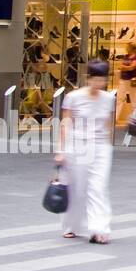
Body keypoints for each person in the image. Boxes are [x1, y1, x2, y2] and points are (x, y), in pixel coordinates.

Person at [55, 60, 116, 244]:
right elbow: (66, 123)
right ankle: (70, 226)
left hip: (101, 147)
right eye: (95, 79)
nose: (99, 84)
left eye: (102, 80)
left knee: (98, 187)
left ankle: (99, 229)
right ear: (88, 78)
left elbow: (109, 125)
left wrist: (108, 146)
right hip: (77, 145)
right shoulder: (73, 97)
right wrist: (61, 150)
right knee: (77, 187)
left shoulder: (109, 99)